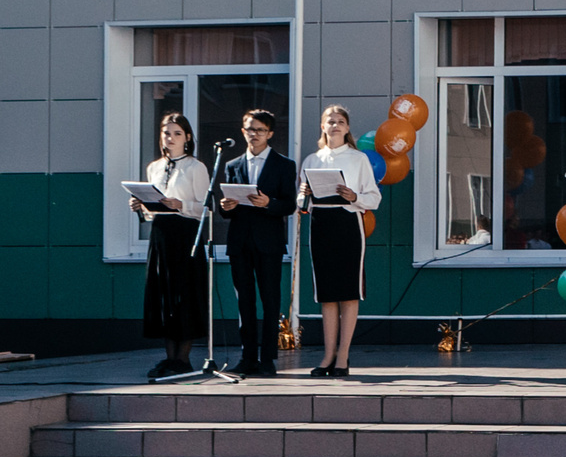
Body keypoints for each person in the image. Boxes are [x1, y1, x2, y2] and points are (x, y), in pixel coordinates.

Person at [298, 105, 380, 378]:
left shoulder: (358, 159)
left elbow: (374, 198)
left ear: (347, 128)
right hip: (320, 224)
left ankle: (343, 354)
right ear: (322, 126)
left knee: (347, 291)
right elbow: (300, 204)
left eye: (340, 122)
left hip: (347, 224)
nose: (334, 125)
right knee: (327, 294)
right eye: (330, 121)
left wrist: (353, 196)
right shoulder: (311, 159)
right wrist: (304, 194)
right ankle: (328, 354)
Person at [215, 109, 297, 377]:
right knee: (245, 302)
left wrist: (269, 203)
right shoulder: (232, 165)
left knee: (270, 299)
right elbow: (226, 209)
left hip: (269, 242)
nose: (254, 134)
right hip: (240, 242)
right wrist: (225, 206)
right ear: (242, 131)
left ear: (270, 134)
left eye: (260, 130)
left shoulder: (284, 164)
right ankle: (247, 357)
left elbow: (289, 204)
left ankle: (268, 358)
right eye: (249, 129)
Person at [132, 111, 210, 381]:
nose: (171, 138)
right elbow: (153, 210)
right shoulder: (154, 167)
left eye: (177, 133)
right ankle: (168, 358)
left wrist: (181, 205)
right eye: (166, 133)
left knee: (184, 295)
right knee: (163, 294)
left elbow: (205, 209)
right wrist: (141, 207)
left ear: (187, 137)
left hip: (185, 234)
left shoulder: (195, 167)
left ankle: (183, 359)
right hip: (162, 234)